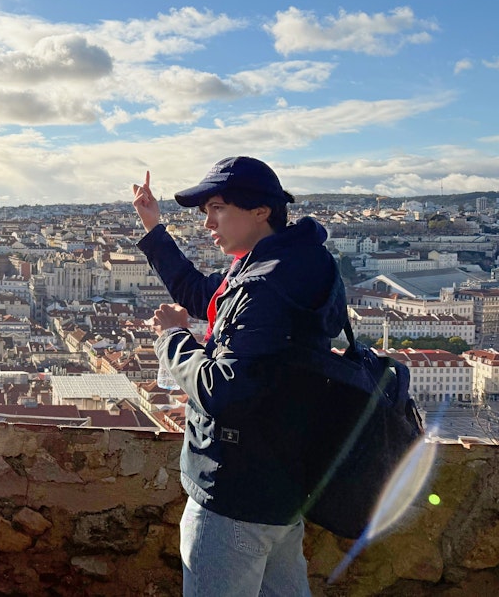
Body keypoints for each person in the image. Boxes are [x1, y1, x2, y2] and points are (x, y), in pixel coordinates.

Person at [131, 157, 347, 597]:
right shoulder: (293, 266)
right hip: (282, 489)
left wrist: (173, 338)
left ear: (260, 211)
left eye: (217, 208)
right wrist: (153, 228)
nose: (207, 223)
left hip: (233, 493)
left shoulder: (265, 285)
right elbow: (201, 293)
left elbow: (222, 390)